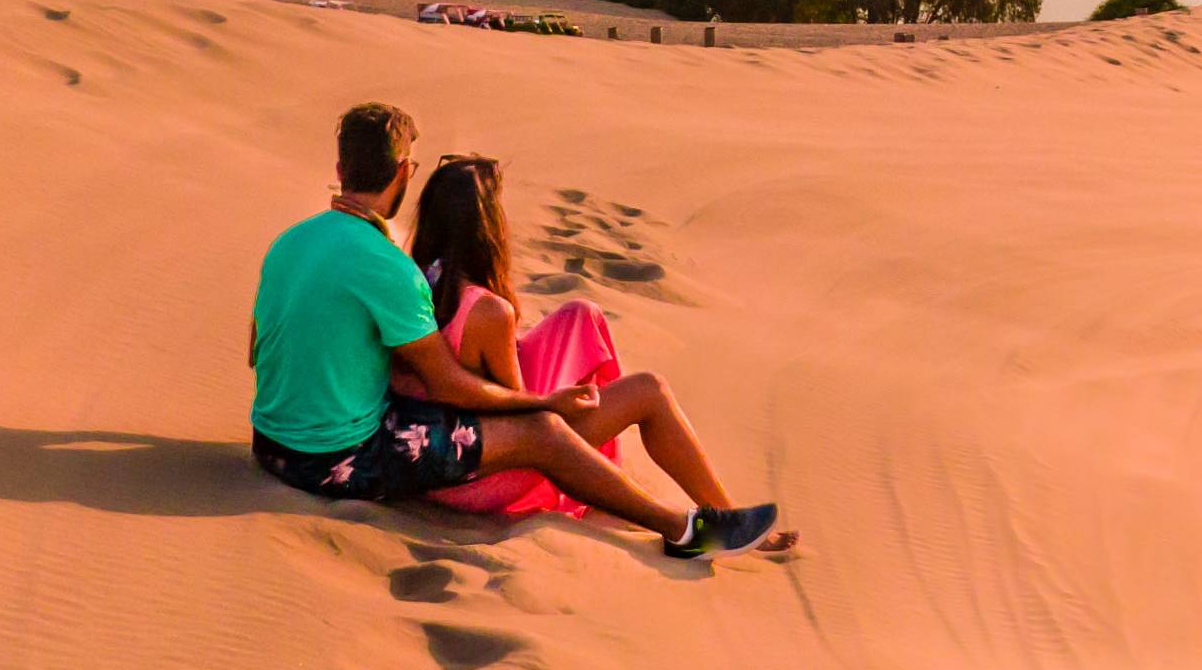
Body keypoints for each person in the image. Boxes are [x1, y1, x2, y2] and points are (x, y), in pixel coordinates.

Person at [248, 102, 782, 558]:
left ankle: (687, 515)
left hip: (269, 445)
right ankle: (685, 530)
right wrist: (546, 406)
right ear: (403, 173)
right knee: (543, 433)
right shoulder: (387, 267)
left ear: (341, 167)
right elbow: (448, 385)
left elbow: (256, 352)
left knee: (540, 416)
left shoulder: (288, 243)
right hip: (334, 464)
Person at [412, 155, 796, 550]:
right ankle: (718, 517)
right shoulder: (488, 310)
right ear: (488, 227)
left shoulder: (420, 279)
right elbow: (521, 415)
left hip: (441, 455)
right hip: (484, 474)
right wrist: (557, 403)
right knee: (649, 391)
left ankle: (606, 474)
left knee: (580, 315)